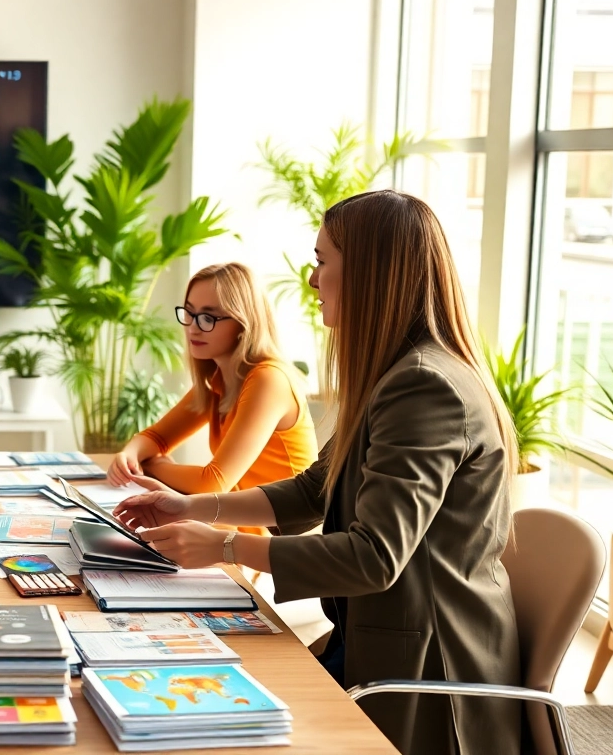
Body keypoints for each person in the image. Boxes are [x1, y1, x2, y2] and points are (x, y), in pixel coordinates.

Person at [114, 190, 522, 755]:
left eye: (322, 261)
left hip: (427, 670)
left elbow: (372, 557)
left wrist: (225, 546)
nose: (311, 280)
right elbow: (313, 490)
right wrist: (192, 507)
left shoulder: (424, 387)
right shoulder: (395, 373)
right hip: (373, 637)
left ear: (370, 274)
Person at [108, 263, 317, 536]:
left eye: (208, 318)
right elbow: (157, 438)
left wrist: (152, 465)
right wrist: (131, 454)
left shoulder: (269, 380)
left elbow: (213, 483)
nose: (193, 329)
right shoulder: (217, 380)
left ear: (243, 323)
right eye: (190, 314)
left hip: (282, 542)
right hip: (239, 525)